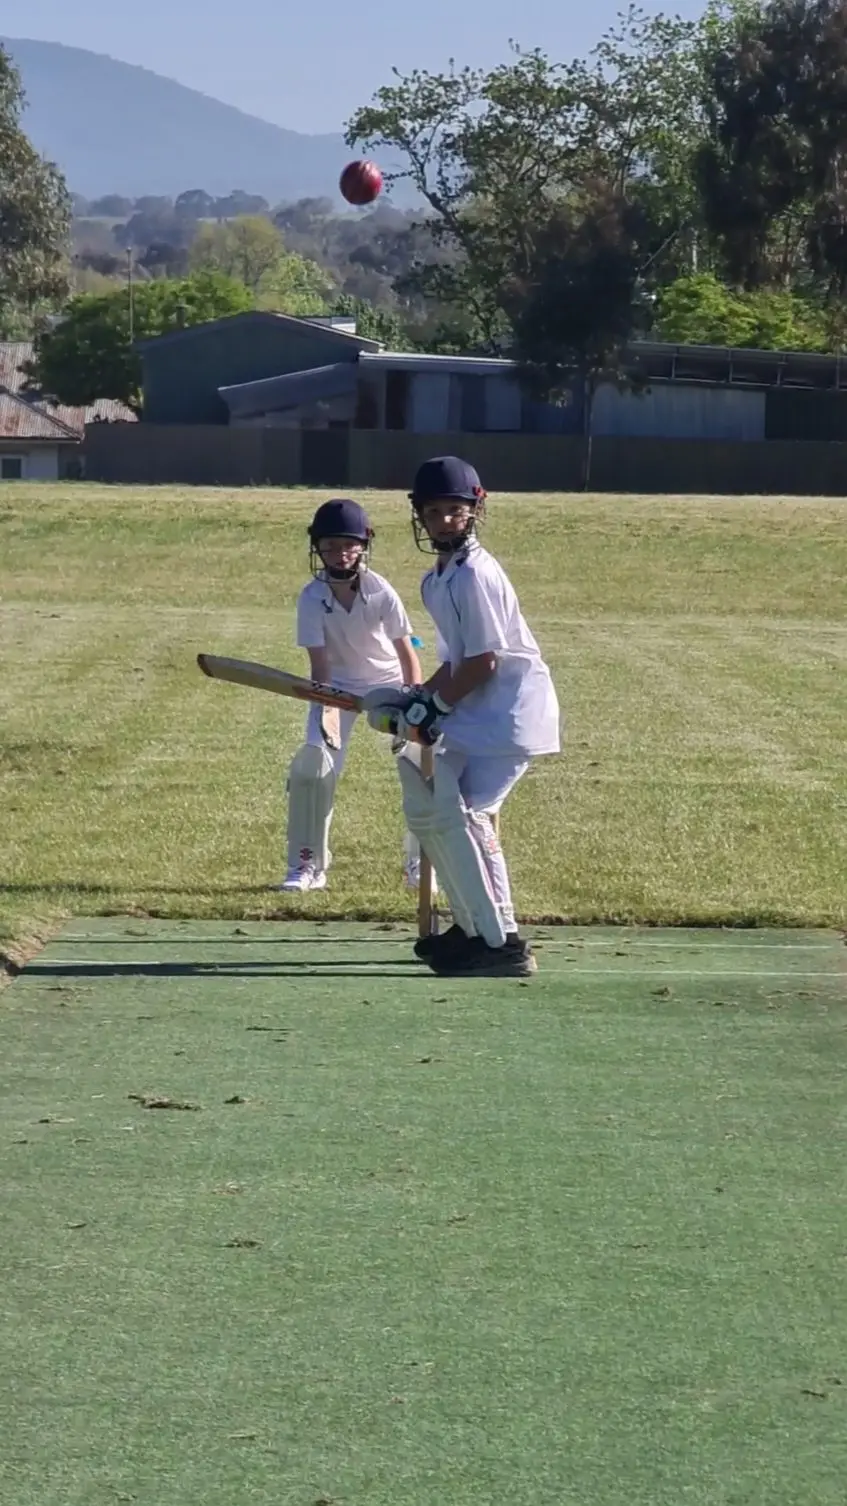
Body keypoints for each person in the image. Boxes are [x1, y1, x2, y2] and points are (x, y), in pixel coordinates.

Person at [364, 457, 561, 977]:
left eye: (456, 510)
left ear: (474, 511)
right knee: (437, 814)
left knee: (469, 817)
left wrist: (434, 707)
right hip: (479, 710)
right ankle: (475, 926)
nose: (446, 520)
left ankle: (505, 941)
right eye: (435, 512)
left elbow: (484, 661)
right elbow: (456, 661)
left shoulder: (475, 574)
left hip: (511, 714)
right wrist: (415, 698)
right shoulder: (438, 579)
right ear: (420, 517)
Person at [279, 497, 430, 894]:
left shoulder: (381, 590)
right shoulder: (312, 598)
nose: (340, 554)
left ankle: (421, 864)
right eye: (330, 546)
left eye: (348, 545)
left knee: (422, 761)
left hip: (388, 684)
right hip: (336, 686)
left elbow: (406, 652)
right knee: (314, 765)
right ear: (317, 548)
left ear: (363, 545)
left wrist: (413, 701)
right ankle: (307, 866)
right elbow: (320, 666)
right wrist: (326, 707)